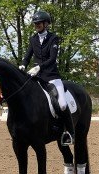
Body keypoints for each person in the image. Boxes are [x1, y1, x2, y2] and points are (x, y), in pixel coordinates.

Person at [19, 10, 74, 145]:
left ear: (46, 23)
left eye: (39, 23)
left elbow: (52, 59)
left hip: (52, 77)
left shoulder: (53, 38)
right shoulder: (33, 39)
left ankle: (69, 133)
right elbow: (27, 56)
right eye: (35, 23)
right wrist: (22, 65)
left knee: (62, 104)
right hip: (37, 78)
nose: (36, 25)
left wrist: (39, 67)